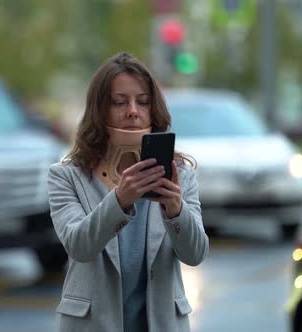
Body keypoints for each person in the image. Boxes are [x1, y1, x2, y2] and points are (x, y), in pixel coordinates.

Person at [47, 52, 209, 332]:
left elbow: (195, 254)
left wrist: (175, 209)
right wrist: (120, 201)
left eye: (143, 102)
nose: (133, 110)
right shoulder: (67, 176)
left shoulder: (179, 174)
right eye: (119, 102)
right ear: (100, 110)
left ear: (153, 109)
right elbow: (79, 246)